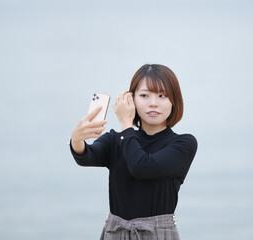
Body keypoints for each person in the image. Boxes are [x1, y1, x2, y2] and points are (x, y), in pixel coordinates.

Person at [70, 64, 198, 240]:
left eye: (162, 95)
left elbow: (142, 167)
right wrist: (77, 140)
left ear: (173, 101)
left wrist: (126, 124)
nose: (153, 103)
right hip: (115, 232)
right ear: (132, 100)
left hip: (157, 234)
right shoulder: (116, 139)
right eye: (144, 95)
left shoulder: (183, 143)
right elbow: (86, 156)